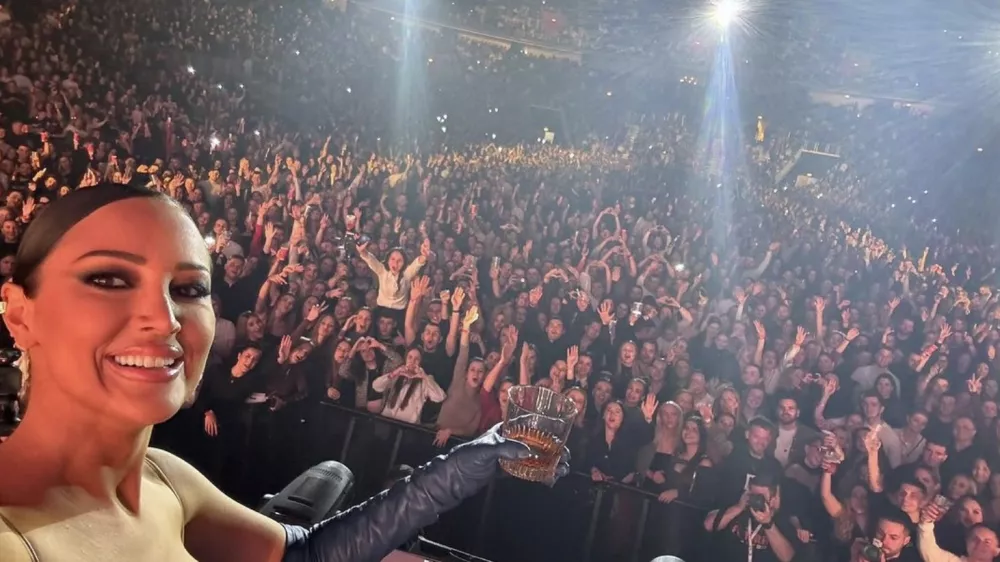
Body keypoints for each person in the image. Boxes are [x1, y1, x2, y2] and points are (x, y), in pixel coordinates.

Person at [0, 185, 568, 562]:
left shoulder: (164, 480)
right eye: (108, 279)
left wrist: (461, 468)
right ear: (20, 314)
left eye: (189, 289)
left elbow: (303, 555)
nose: (164, 318)